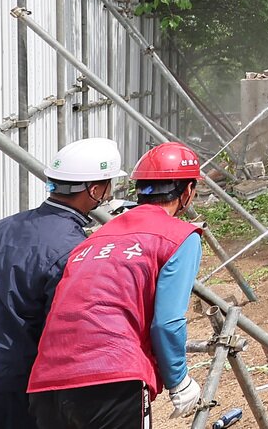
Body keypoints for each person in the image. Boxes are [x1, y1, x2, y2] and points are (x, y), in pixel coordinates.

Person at [0, 137, 125, 429]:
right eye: (107, 185)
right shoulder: (71, 248)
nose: (108, 193)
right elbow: (65, 333)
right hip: (6, 394)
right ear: (94, 190)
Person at [28, 142, 205, 428]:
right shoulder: (179, 236)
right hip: (111, 379)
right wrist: (179, 380)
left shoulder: (96, 237)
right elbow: (167, 322)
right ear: (187, 191)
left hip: (48, 382)